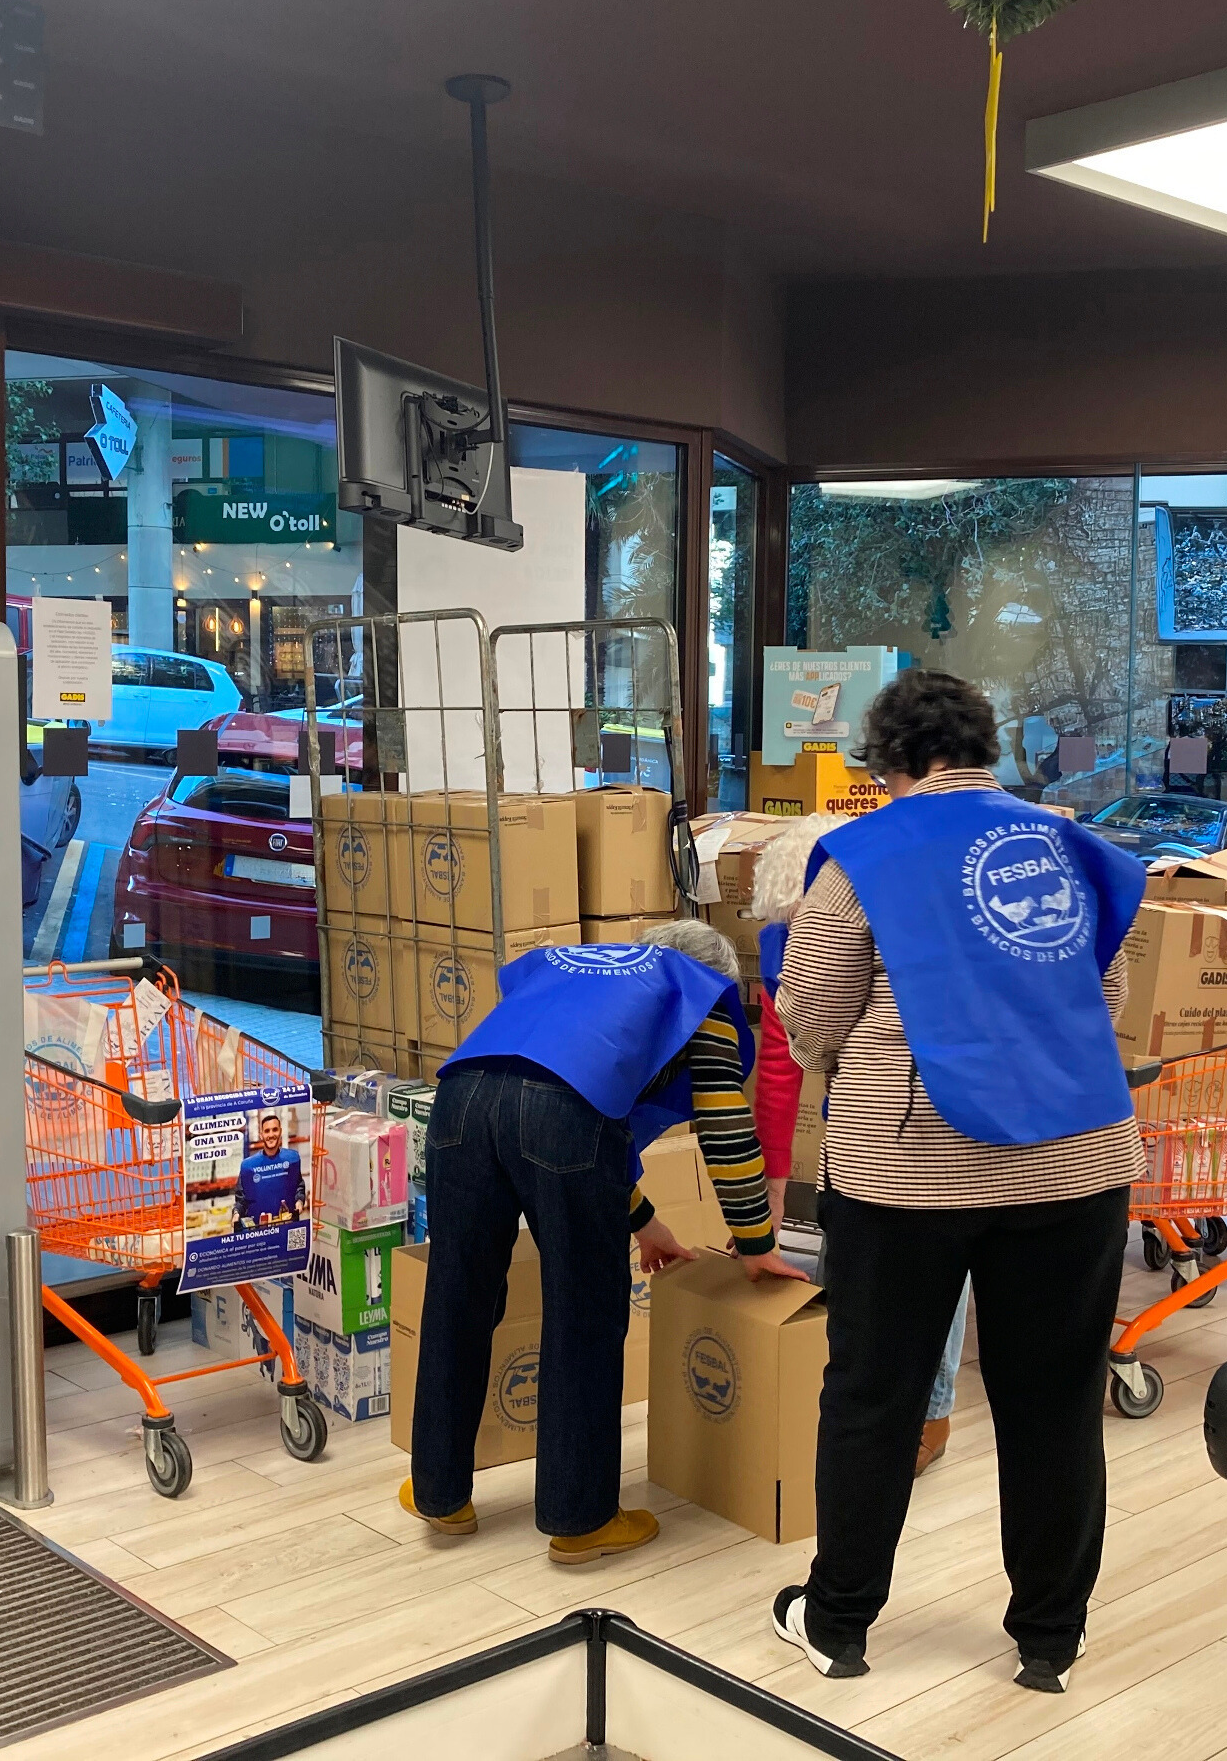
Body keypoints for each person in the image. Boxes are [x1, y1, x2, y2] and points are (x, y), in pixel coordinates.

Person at [767, 669, 1146, 1693]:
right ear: (984, 748)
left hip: (908, 1166)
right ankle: (1049, 1637)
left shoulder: (860, 856)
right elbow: (1100, 993)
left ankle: (838, 1620)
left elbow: (812, 1010)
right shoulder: (1066, 843)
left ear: (886, 762)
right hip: (1073, 1156)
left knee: (875, 1395)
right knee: (1052, 1400)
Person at [405, 918, 806, 1564]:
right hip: (561, 1117)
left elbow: (562, 1108)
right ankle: (580, 1517)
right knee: (583, 1314)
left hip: (457, 1106)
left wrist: (645, 1223)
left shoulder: (579, 976)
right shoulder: (694, 995)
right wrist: (756, 1239)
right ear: (715, 977)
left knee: (458, 1296)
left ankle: (439, 1494)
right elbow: (723, 1127)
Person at [753, 814, 969, 1479]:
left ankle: (931, 1412)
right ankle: (847, 1384)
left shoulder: (918, 930)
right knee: (857, 1259)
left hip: (950, 1117)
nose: (802, 942)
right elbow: (779, 1070)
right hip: (865, 1122)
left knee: (938, 1263)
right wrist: (766, 1191)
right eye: (794, 928)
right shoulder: (779, 945)